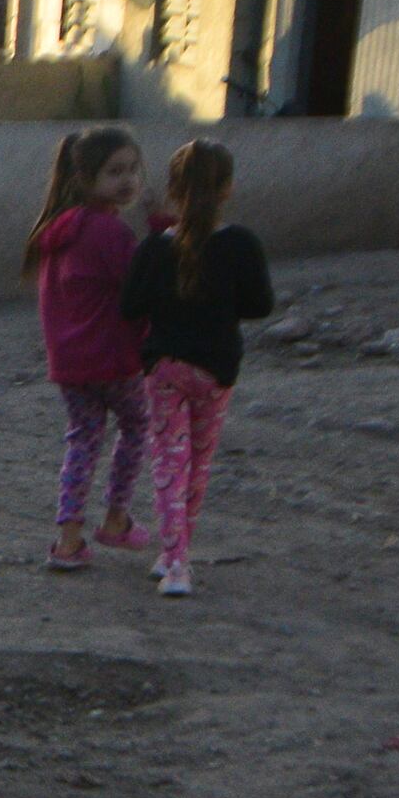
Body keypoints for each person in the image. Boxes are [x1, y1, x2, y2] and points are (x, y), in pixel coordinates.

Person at [118, 137, 275, 598]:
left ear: (173, 188)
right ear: (226, 188)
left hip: (165, 367)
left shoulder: (153, 248)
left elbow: (130, 306)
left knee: (169, 460)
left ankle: (174, 560)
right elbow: (259, 305)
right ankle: (176, 555)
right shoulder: (241, 244)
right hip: (216, 369)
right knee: (198, 464)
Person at [27, 125, 151, 569]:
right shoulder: (110, 234)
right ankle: (116, 518)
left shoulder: (56, 232)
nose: (128, 180)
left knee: (83, 441)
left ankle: (68, 540)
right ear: (85, 179)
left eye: (133, 170)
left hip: (70, 364)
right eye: (115, 172)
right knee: (139, 425)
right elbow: (141, 292)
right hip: (114, 360)